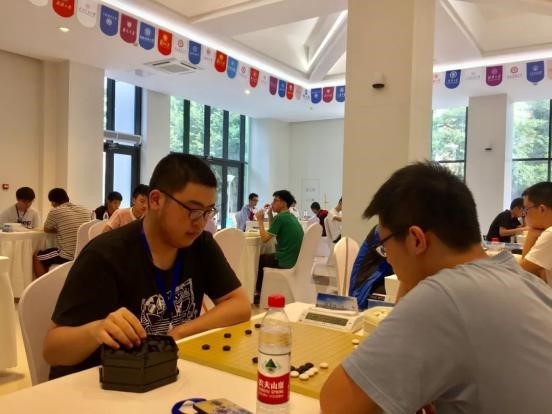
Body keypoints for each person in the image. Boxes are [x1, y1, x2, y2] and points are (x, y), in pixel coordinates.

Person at [320, 162, 552, 414]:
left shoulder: (446, 296)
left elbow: (336, 404)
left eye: (385, 245)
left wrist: (410, 278)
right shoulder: (523, 280)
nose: (388, 256)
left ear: (416, 240)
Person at [43, 153, 250, 379]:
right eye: (192, 210)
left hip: (165, 375)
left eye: (207, 212)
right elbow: (52, 350)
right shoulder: (105, 255)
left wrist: (181, 332)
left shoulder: (200, 244)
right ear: (156, 200)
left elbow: (239, 305)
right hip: (104, 382)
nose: (200, 223)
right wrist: (96, 329)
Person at [254, 190, 303, 304]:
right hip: (294, 258)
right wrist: (270, 215)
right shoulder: (289, 216)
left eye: (275, 201)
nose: (272, 203)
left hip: (284, 260)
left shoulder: (281, 218)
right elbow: (274, 232)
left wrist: (260, 221)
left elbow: (265, 239)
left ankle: (259, 293)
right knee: (267, 257)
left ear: (284, 203)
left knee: (260, 259)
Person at [33, 188, 91, 276]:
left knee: (37, 257)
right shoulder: (85, 209)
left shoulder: (55, 211)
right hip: (84, 253)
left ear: (53, 202)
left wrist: (59, 229)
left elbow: (46, 229)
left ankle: (44, 284)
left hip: (68, 255)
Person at [520, 182, 552, 286]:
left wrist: (531, 234)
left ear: (542, 209)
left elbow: (522, 272)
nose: (523, 214)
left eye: (526, 209)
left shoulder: (550, 234)